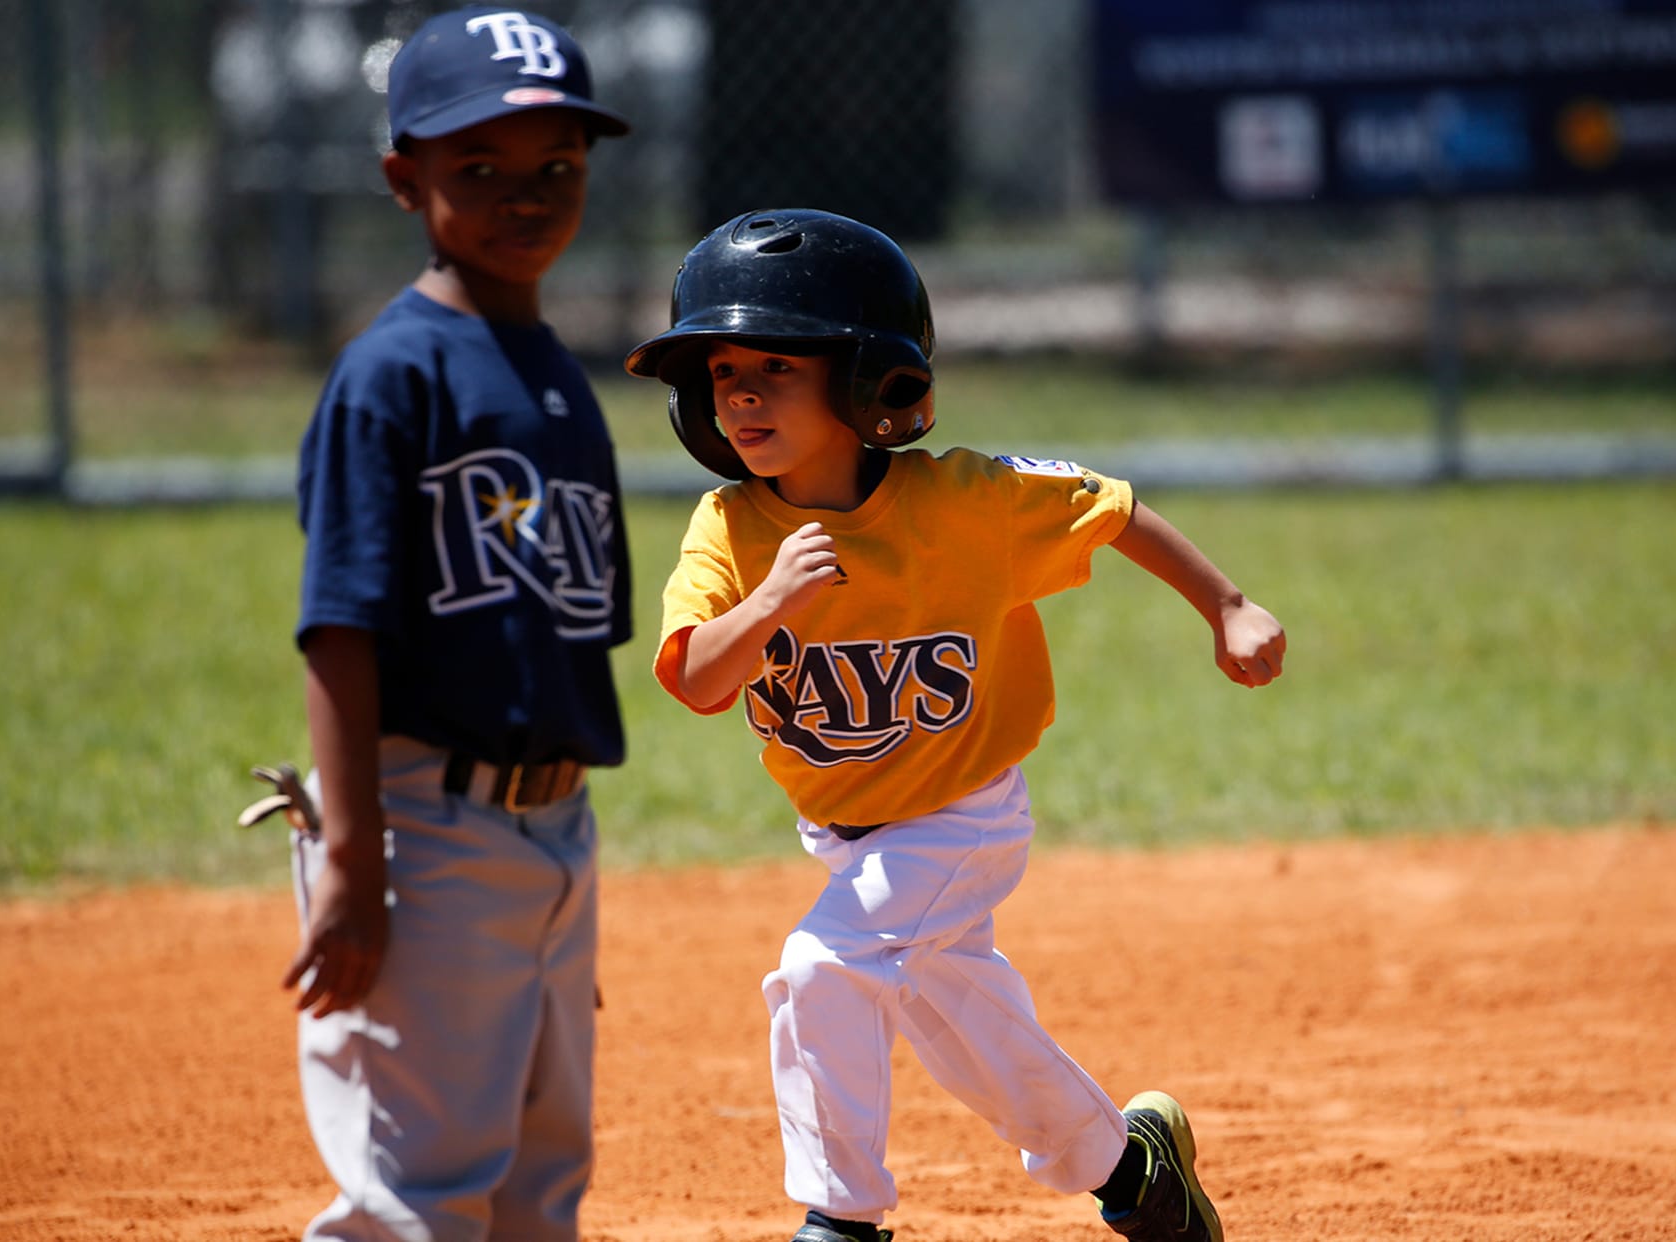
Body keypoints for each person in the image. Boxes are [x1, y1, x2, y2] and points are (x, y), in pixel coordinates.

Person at [623, 208, 1285, 1242]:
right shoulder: (728, 529)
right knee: (964, 1028)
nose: (741, 392)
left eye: (777, 366)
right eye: (721, 372)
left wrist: (1228, 604)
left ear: (864, 379)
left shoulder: (965, 504)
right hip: (846, 834)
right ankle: (1132, 1168)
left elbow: (1108, 509)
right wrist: (768, 605)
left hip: (962, 814)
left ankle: (842, 1218)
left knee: (823, 969)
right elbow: (700, 683)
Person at [282, 8, 632, 1239]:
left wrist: (549, 907)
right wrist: (355, 862)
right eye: (476, 166)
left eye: (556, 168)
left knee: (541, 1187)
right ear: (403, 179)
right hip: (423, 830)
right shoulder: (395, 374)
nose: (523, 195)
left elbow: (560, 642)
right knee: (418, 1197)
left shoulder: (551, 374)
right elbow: (341, 627)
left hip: (551, 835)